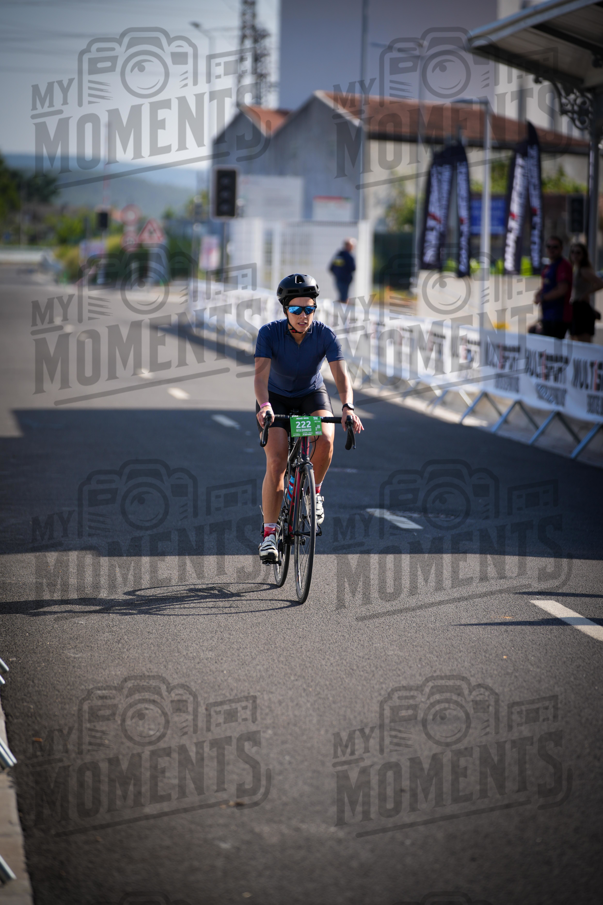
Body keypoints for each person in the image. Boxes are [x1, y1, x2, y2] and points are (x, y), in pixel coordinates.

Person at [254, 273, 364, 563]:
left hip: (310, 394)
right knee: (277, 460)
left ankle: (314, 493)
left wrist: (348, 407)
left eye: (309, 309)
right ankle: (268, 535)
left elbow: (341, 375)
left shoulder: (325, 335)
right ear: (285, 311)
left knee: (326, 438)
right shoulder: (269, 333)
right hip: (274, 399)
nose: (304, 315)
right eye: (296, 309)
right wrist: (264, 405)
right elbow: (259, 376)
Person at [529, 236, 572, 339]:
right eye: (549, 246)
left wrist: (543, 297)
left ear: (561, 248)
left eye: (555, 247)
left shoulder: (563, 265)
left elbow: (562, 289)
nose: (551, 249)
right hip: (547, 315)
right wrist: (539, 293)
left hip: (558, 316)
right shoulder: (549, 266)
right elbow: (547, 285)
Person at [569, 242, 603, 343]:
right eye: (573, 252)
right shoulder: (576, 269)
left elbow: (600, 283)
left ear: (583, 255)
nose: (575, 255)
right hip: (575, 307)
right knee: (574, 341)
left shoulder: (584, 270)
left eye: (578, 253)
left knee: (583, 342)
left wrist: (586, 294)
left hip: (582, 309)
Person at [329, 238, 356, 303]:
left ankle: (340, 310)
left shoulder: (339, 255)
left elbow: (331, 268)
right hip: (344, 281)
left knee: (342, 297)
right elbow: (353, 268)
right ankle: (342, 311)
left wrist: (337, 275)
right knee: (344, 298)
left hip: (339, 280)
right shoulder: (348, 256)